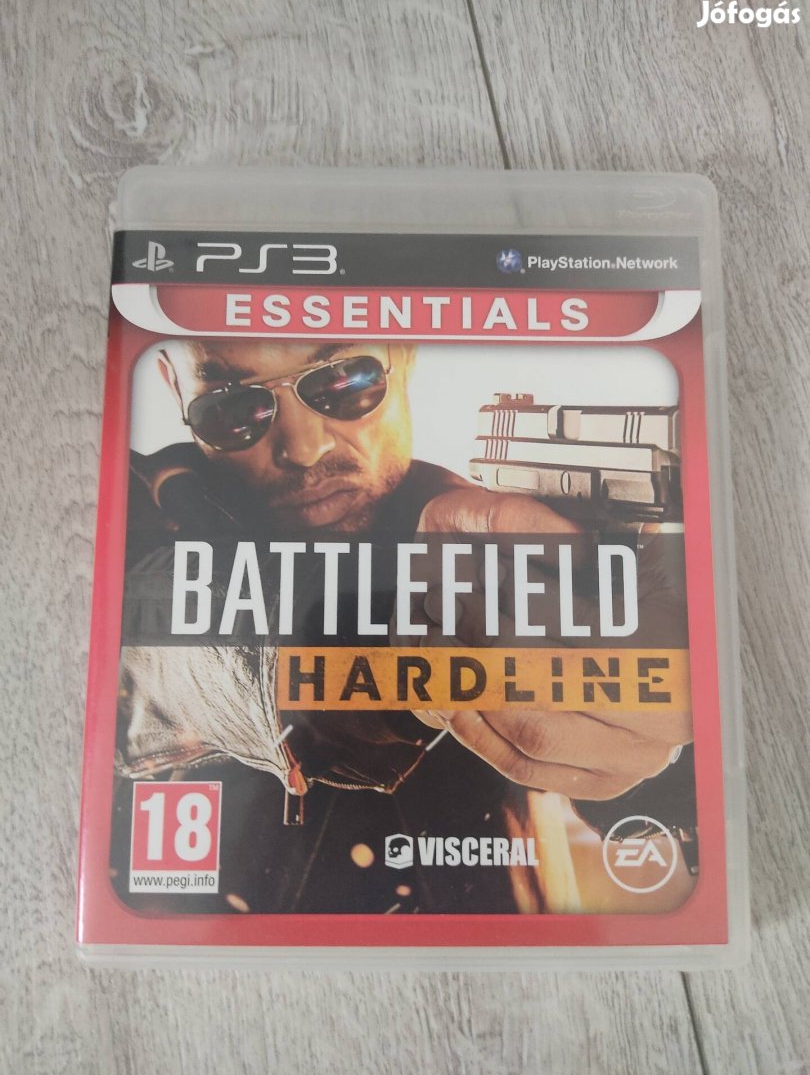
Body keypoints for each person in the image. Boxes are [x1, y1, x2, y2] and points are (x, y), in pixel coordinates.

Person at [114, 339, 696, 914]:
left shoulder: (503, 540)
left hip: (504, 944)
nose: (306, 449)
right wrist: (396, 637)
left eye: (343, 381)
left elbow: (636, 810)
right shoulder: (128, 520)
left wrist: (659, 750)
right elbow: (163, 650)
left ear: (407, 354)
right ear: (174, 389)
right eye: (234, 407)